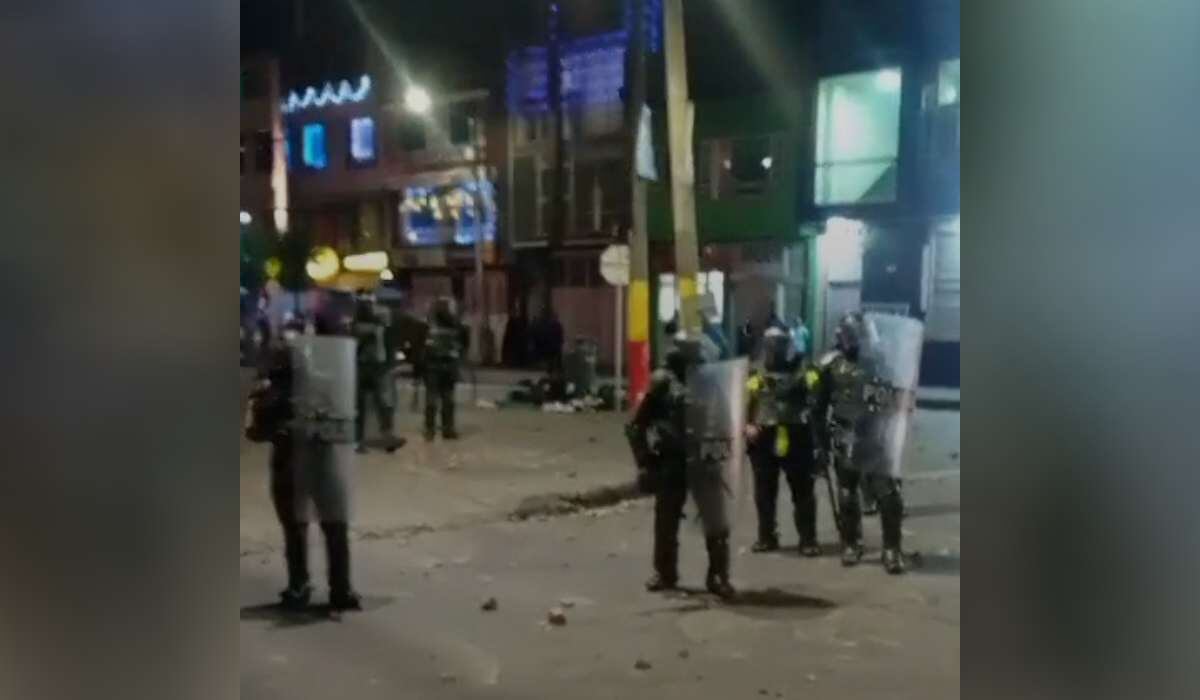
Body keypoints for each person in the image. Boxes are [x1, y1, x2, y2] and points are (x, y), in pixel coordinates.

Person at [246, 314, 362, 611]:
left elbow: (256, 433)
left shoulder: (274, 390)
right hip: (318, 462)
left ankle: (303, 586)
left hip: (294, 465)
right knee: (331, 527)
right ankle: (339, 589)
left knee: (301, 530)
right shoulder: (320, 382)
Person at [626, 333, 740, 600]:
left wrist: (719, 455)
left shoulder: (709, 380)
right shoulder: (662, 381)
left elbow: (725, 421)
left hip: (703, 459)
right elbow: (635, 425)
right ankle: (665, 572)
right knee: (665, 521)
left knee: (715, 522)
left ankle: (718, 575)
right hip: (673, 459)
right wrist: (646, 458)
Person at [816, 312, 912, 575]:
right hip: (845, 435)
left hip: (877, 437)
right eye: (854, 336)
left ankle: (892, 548)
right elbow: (817, 408)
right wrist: (819, 444)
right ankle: (851, 543)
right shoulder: (830, 366)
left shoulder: (882, 364)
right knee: (847, 495)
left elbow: (898, 400)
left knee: (889, 495)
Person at [745, 327, 822, 556]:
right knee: (764, 491)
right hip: (764, 435)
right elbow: (745, 400)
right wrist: (747, 424)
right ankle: (766, 536)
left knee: (803, 490)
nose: (774, 349)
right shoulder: (756, 372)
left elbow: (817, 396)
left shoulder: (804, 369)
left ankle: (808, 539)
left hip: (796, 432)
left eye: (778, 344)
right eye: (770, 344)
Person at [352, 290, 403, 454]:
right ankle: (377, 437)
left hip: (372, 367)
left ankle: (374, 438)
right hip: (372, 367)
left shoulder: (375, 327)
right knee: (381, 403)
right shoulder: (366, 328)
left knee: (374, 404)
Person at [423, 296, 468, 441]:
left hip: (433, 366)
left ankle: (430, 430)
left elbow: (422, 347)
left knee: (433, 399)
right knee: (447, 399)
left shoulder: (429, 326)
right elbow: (463, 345)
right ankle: (447, 429)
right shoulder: (456, 326)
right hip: (447, 366)